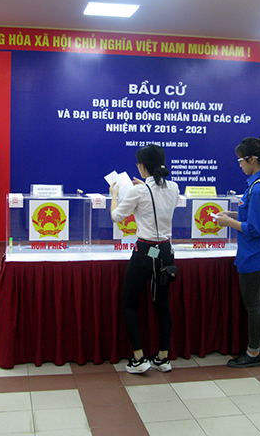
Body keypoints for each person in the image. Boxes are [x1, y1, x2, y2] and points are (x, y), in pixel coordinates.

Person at [110, 144, 180, 373]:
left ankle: (139, 359)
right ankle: (163, 357)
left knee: (129, 303)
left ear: (142, 166)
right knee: (162, 305)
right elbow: (158, 197)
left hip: (144, 252)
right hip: (166, 253)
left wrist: (114, 196)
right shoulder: (174, 187)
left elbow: (116, 217)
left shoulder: (138, 192)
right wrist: (144, 187)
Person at [216, 136, 260, 368]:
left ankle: (253, 354)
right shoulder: (257, 185)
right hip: (252, 254)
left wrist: (228, 223)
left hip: (253, 255)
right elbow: (251, 217)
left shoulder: (259, 189)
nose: (240, 165)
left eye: (241, 160)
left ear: (252, 159)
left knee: (254, 306)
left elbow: (255, 229)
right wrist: (231, 215)